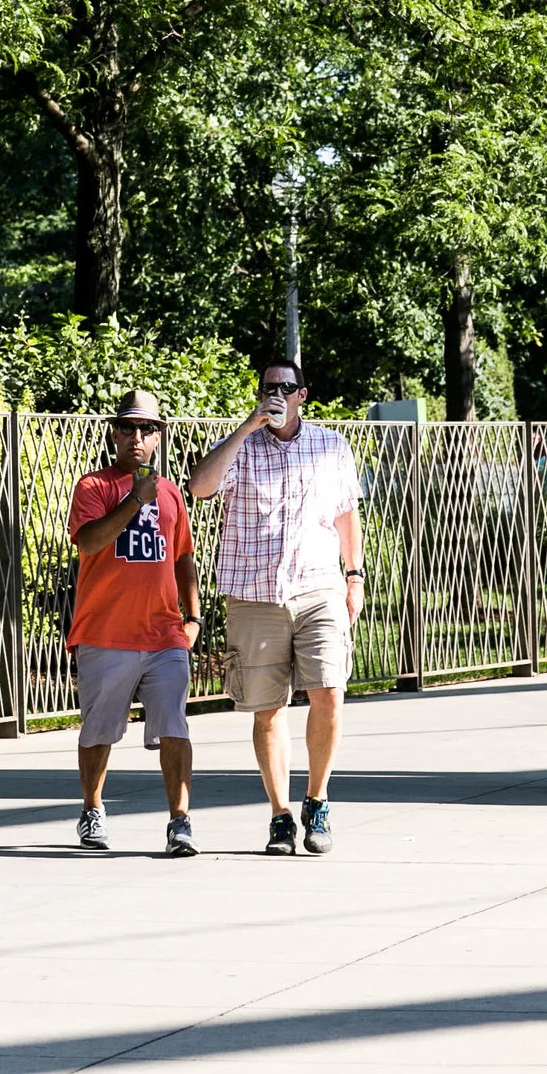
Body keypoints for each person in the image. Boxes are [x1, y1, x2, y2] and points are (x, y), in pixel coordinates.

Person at [186, 358, 364, 856]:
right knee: (268, 709)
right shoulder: (240, 446)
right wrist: (247, 427)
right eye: (268, 387)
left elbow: (347, 514)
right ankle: (280, 815)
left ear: (302, 395)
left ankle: (318, 800)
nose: (276, 394)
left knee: (329, 691)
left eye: (286, 387)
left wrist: (354, 576)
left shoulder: (331, 445)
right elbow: (199, 487)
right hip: (254, 595)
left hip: (319, 588)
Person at [66, 389, 201, 856]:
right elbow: (89, 542)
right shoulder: (94, 487)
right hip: (106, 633)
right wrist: (133, 501)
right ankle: (92, 808)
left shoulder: (170, 494)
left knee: (174, 725)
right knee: (99, 730)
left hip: (164, 634)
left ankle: (180, 822)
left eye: (147, 429)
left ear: (159, 435)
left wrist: (194, 618)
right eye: (127, 427)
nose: (137, 437)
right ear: (113, 433)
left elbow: (183, 556)